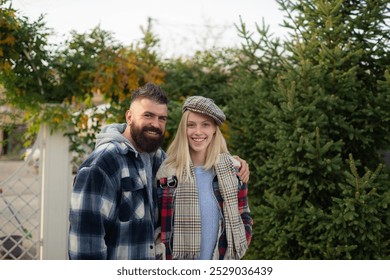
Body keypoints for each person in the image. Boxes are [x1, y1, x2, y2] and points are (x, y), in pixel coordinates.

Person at [68, 83, 250, 260]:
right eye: (148, 115)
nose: (155, 124)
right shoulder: (103, 163)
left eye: (161, 118)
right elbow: (85, 244)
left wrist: (235, 163)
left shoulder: (158, 160)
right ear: (129, 117)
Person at [156, 96, 253, 260]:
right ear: (183, 129)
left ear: (215, 129)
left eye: (205, 125)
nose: (198, 132)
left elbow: (244, 215)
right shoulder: (167, 174)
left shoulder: (233, 170)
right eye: (191, 125)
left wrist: (241, 243)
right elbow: (157, 226)